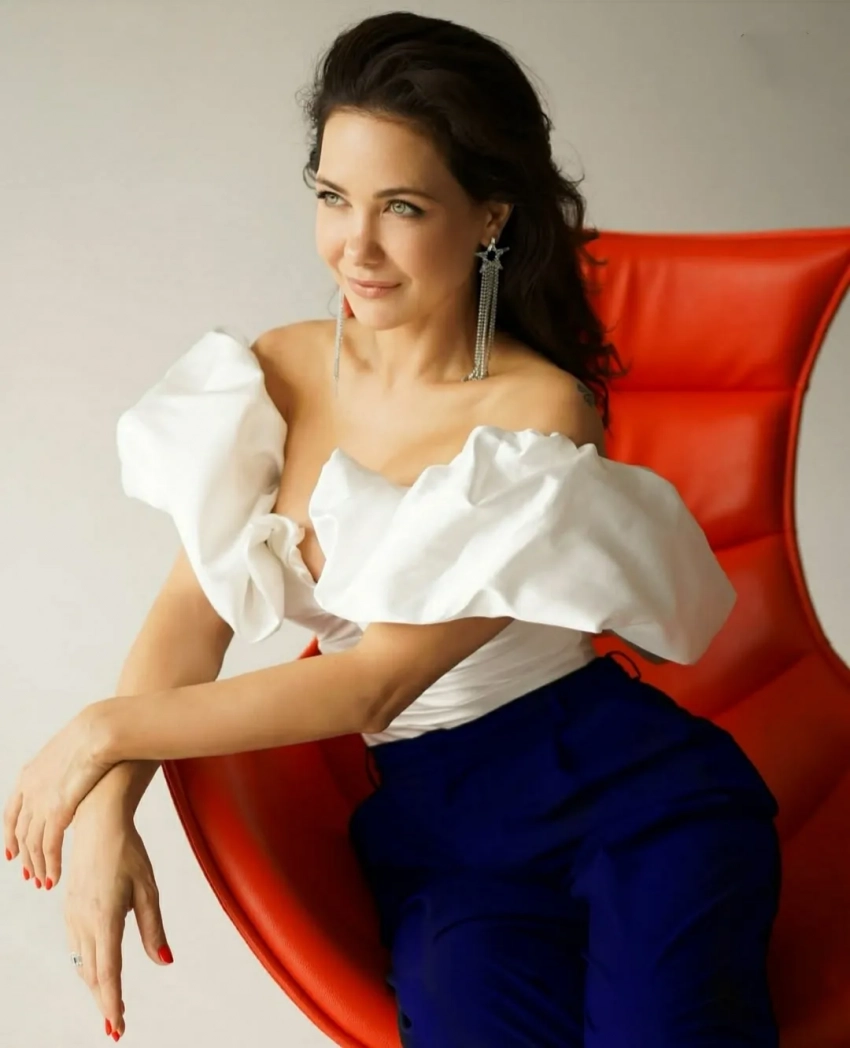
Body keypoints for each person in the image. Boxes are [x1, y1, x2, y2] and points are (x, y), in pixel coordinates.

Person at [4, 11, 781, 1047]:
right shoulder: (277, 371)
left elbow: (377, 683)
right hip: (441, 839)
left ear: (490, 214)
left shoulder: (537, 413)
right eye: (333, 197)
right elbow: (193, 612)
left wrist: (102, 733)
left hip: (628, 802)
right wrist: (109, 811)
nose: (354, 247)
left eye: (402, 207)